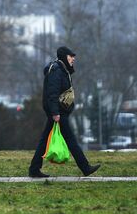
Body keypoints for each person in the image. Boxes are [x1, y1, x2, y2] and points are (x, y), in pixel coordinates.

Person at [29, 46, 101, 178]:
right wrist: (55, 113)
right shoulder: (57, 71)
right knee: (70, 139)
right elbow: (52, 93)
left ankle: (34, 169)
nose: (73, 58)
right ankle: (85, 168)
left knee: (45, 140)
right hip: (58, 112)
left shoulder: (62, 70)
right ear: (64, 56)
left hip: (58, 111)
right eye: (71, 56)